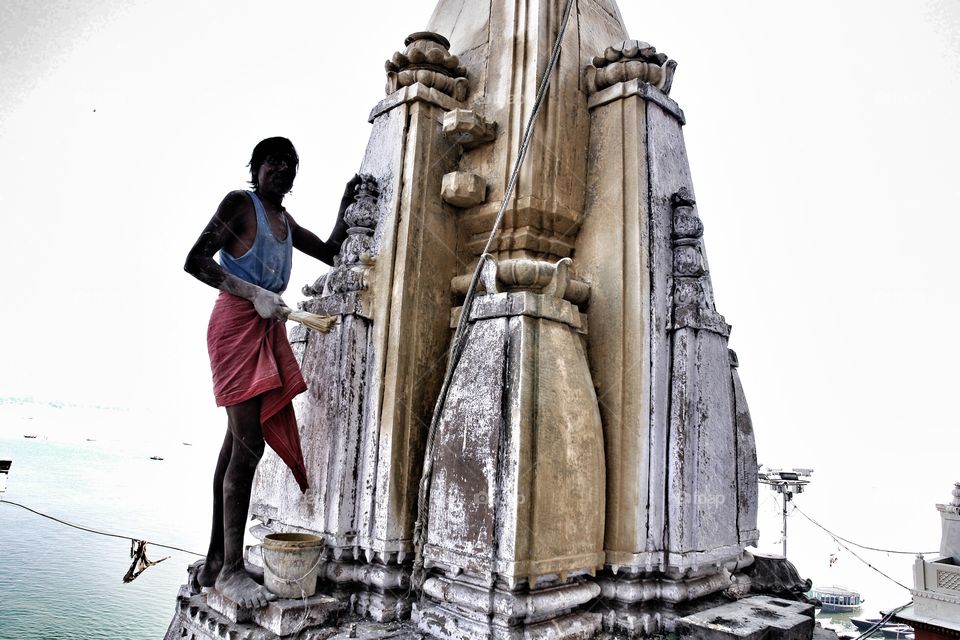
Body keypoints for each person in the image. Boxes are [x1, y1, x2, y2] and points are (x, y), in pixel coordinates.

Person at [184, 137, 358, 608]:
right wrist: (251, 293)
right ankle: (232, 571)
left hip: (264, 329)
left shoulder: (284, 221)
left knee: (235, 444)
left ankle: (217, 561)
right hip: (235, 327)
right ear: (256, 168)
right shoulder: (241, 205)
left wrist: (346, 204)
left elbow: (329, 251)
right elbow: (195, 260)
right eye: (273, 161)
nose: (282, 168)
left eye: (290, 163)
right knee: (248, 444)